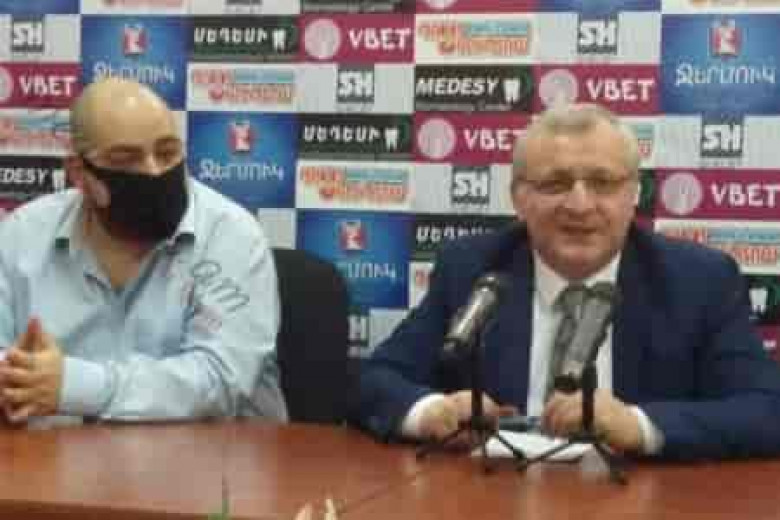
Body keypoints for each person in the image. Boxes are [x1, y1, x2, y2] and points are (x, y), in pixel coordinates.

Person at [350, 103, 780, 460]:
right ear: (519, 198)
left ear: (634, 194)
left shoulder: (697, 280)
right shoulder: (473, 268)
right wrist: (431, 412)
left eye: (603, 183)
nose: (579, 204)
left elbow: (765, 409)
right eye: (555, 184)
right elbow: (375, 381)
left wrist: (639, 426)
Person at [0, 78, 288, 426]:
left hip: (210, 456)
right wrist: (14, 378)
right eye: (126, 159)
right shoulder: (22, 235)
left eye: (167, 153)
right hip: (53, 456)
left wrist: (73, 386)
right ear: (79, 173)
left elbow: (220, 380)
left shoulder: (231, 234)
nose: (153, 171)